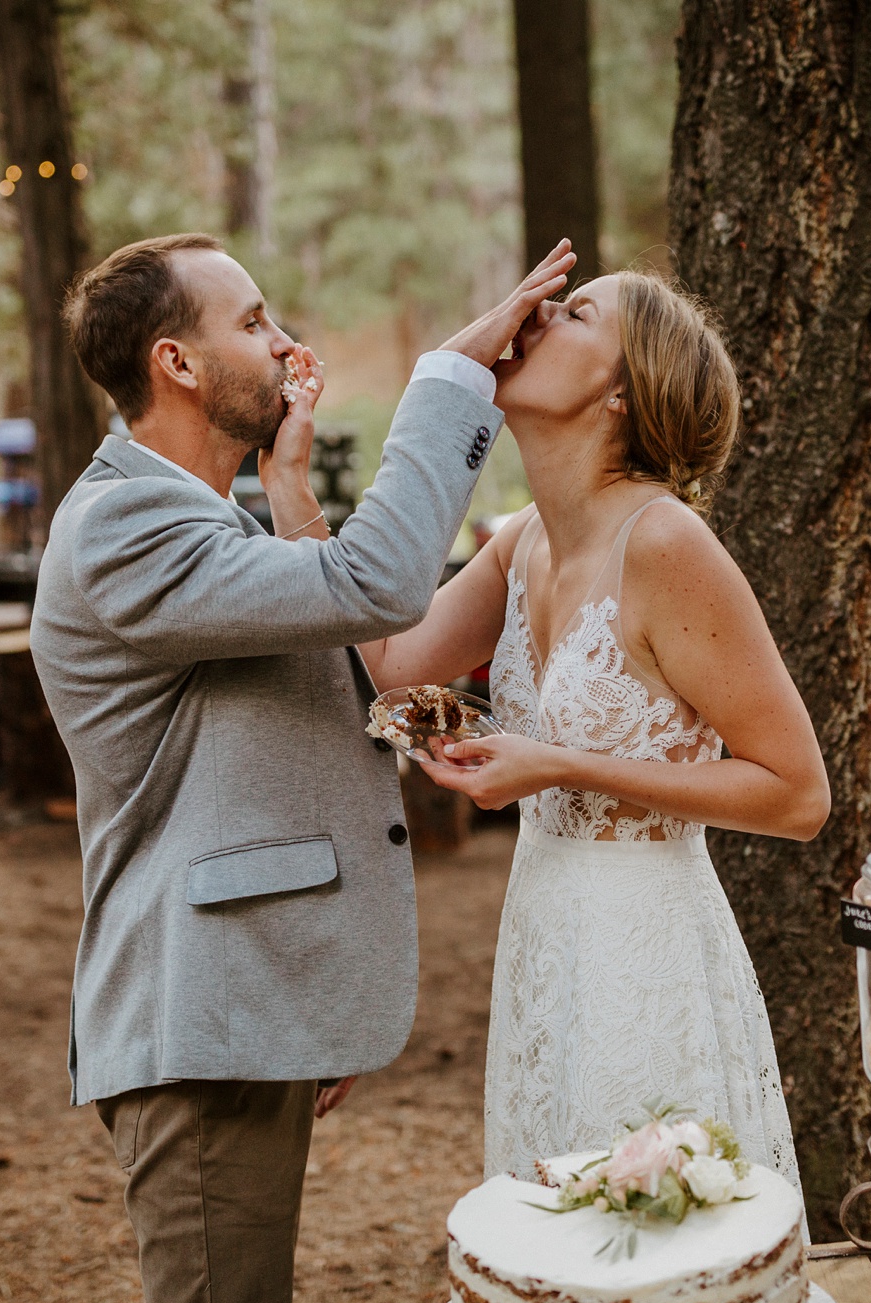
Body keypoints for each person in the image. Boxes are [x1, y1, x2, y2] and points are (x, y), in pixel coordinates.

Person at [29, 231, 576, 1303]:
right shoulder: (123, 526)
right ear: (176, 364)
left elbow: (294, 675)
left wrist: (286, 483)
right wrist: (448, 377)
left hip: (240, 1007)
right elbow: (373, 584)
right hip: (196, 1024)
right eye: (253, 323)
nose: (286, 344)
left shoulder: (199, 523)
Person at [356, 269, 831, 1204]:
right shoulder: (523, 538)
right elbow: (384, 656)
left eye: (575, 313)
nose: (535, 317)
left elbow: (797, 793)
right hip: (544, 928)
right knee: (556, 1224)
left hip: (644, 946)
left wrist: (559, 764)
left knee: (644, 1241)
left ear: (623, 389)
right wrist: (292, 483)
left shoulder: (667, 546)